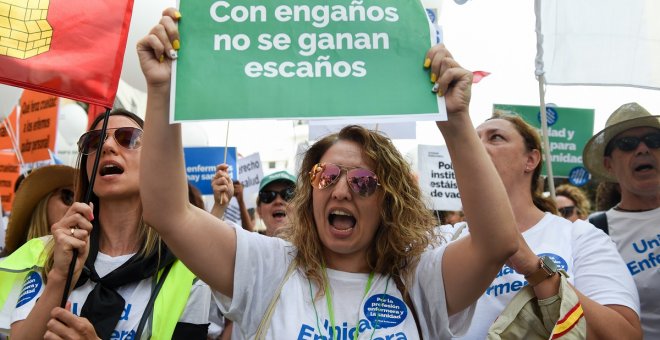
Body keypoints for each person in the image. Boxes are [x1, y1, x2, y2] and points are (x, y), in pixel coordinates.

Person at [137, 10, 519, 339]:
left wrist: (455, 122)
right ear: (311, 189)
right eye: (327, 175)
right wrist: (161, 90)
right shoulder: (267, 267)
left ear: (389, 201)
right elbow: (169, 213)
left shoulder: (422, 280)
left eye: (363, 181)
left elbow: (497, 243)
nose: (340, 190)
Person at [4, 109, 212, 339]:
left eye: (127, 138)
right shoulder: (46, 252)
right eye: (93, 141)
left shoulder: (189, 268)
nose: (107, 146)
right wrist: (60, 277)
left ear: (154, 158)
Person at [453, 112, 641, 339]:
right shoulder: (442, 240)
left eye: (496, 138)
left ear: (531, 160)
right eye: (474, 138)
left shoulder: (578, 237)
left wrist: (537, 270)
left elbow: (625, 335)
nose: (477, 145)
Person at [582, 102, 660, 338]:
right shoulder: (595, 232)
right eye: (627, 144)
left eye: (654, 140)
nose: (643, 149)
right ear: (609, 165)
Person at [1, 165, 75, 257]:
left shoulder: (83, 263)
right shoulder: (7, 263)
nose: (75, 206)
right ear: (44, 200)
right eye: (69, 197)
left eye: (80, 200)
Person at [255, 171, 296, 237]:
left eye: (288, 195)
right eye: (268, 196)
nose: (278, 201)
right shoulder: (249, 246)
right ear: (259, 210)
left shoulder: (315, 246)